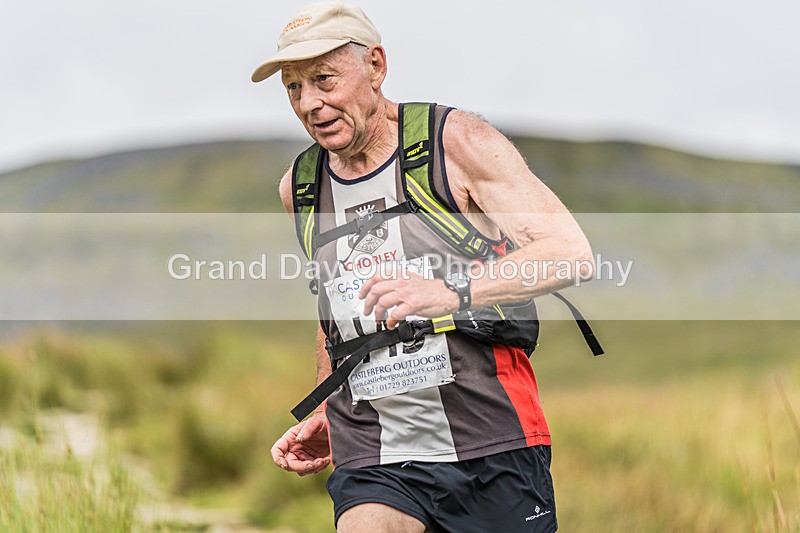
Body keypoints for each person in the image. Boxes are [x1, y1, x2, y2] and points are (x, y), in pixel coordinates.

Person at [252, 3, 596, 532]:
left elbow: (569, 252)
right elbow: (334, 307)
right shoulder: (300, 186)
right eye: (294, 88)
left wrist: (448, 292)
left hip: (492, 437)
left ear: (375, 66)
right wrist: (325, 403)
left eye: (323, 80)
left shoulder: (456, 142)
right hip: (373, 449)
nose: (310, 103)